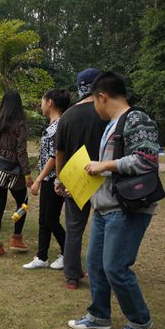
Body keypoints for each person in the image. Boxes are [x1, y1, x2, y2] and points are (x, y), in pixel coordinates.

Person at [68, 71, 160, 329]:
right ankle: (99, 315)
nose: (94, 108)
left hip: (127, 207)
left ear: (102, 97)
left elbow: (146, 160)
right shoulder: (112, 124)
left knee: (116, 267)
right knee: (95, 264)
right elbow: (107, 170)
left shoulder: (137, 119)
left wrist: (105, 165)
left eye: (93, 101)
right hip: (104, 206)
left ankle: (139, 320)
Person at [54, 68, 107, 289]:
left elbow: (59, 153)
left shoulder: (67, 116)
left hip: (77, 179)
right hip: (105, 176)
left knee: (74, 228)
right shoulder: (107, 113)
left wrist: (60, 179)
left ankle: (72, 275)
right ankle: (102, 272)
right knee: (105, 227)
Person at [23, 89, 70, 269]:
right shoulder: (53, 125)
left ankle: (68, 253)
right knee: (44, 219)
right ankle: (42, 257)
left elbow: (54, 157)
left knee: (50, 219)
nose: (41, 104)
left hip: (54, 179)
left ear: (50, 102)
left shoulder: (58, 126)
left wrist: (38, 180)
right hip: (47, 179)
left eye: (42, 100)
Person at [0, 91, 33, 257]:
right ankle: (16, 238)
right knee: (23, 203)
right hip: (14, 171)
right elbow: (21, 151)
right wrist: (27, 174)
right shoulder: (20, 124)